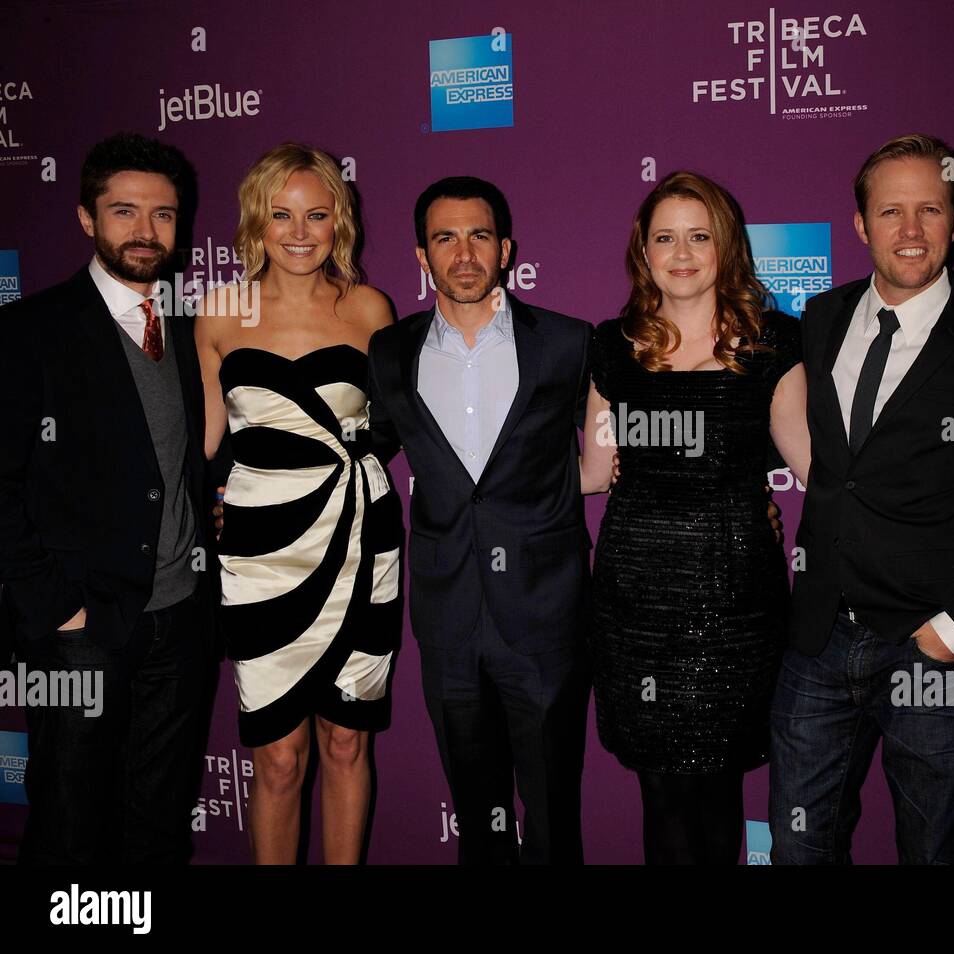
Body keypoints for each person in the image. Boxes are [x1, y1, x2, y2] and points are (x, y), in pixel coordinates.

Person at [769, 135, 954, 865]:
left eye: (930, 210)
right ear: (860, 225)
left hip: (934, 646)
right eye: (890, 211)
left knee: (933, 848)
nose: (910, 230)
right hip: (817, 637)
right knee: (797, 846)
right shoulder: (819, 319)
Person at [580, 171, 810, 865]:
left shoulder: (774, 342)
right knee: (661, 795)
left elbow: (814, 467)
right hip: (635, 607)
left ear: (726, 246)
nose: (682, 253)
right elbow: (592, 472)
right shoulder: (611, 348)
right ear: (643, 252)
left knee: (717, 791)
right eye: (665, 237)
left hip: (735, 609)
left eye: (699, 236)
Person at [0, 133, 216, 863]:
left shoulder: (190, 326)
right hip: (78, 628)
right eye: (125, 211)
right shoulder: (30, 331)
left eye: (163, 214)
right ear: (87, 219)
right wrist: (57, 607)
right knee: (68, 818)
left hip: (181, 619)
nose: (146, 232)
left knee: (156, 822)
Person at [366, 176, 594, 864]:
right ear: (421, 255)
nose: (464, 252)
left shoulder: (567, 342)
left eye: (479, 235)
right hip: (448, 620)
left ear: (506, 250)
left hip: (547, 618)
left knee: (554, 813)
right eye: (445, 237)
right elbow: (364, 455)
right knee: (479, 817)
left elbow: (617, 453)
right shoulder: (390, 352)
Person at [195, 143, 400, 864]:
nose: (300, 231)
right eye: (281, 215)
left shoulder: (369, 306)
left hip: (360, 539)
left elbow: (400, 423)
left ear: (338, 220)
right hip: (261, 554)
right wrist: (196, 509)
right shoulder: (221, 312)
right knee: (278, 757)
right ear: (256, 221)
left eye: (316, 214)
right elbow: (201, 444)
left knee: (347, 741)